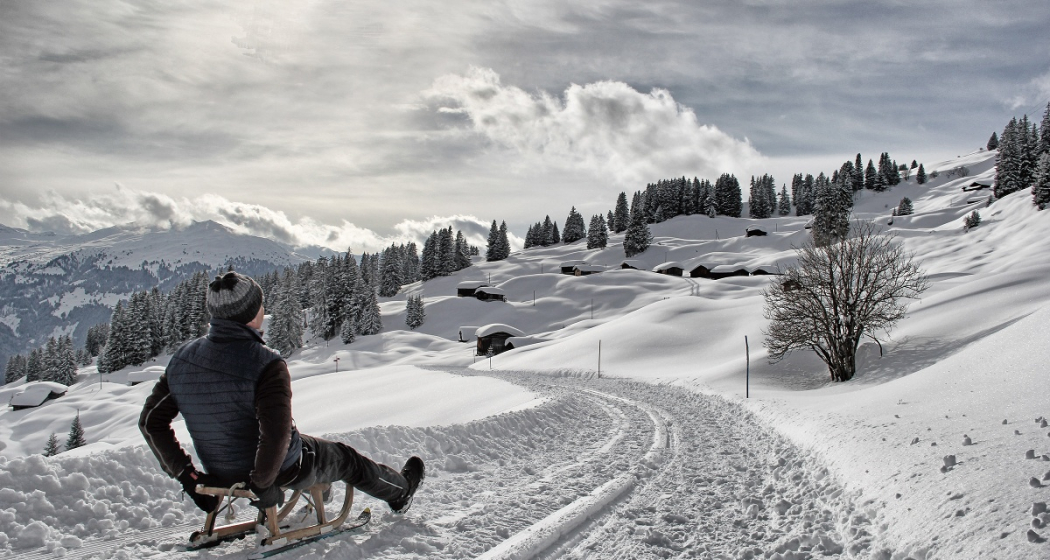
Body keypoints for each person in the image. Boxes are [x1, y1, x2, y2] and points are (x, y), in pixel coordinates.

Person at [139, 271, 424, 514]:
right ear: (252, 313)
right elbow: (276, 435)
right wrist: (262, 485)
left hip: (220, 469)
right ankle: (400, 493)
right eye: (261, 304)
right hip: (281, 469)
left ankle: (320, 496)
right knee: (345, 458)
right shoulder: (265, 363)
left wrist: (189, 478)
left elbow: (151, 422)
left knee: (313, 445)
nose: (264, 309)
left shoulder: (182, 359)